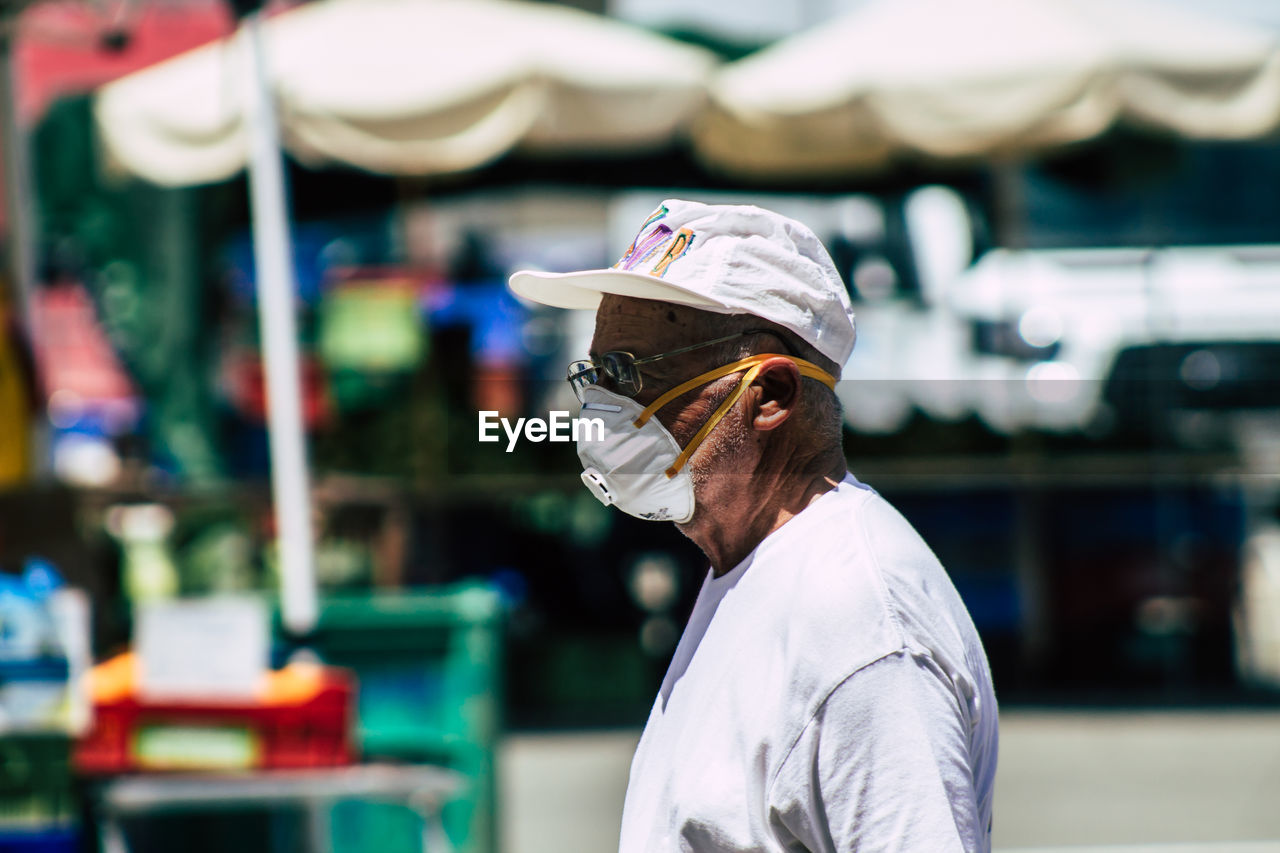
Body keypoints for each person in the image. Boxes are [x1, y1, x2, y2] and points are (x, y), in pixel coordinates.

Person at [509, 199, 998, 852]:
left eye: (630, 375)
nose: (601, 406)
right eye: (595, 373)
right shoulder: (751, 566)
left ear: (768, 396)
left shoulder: (859, 616)